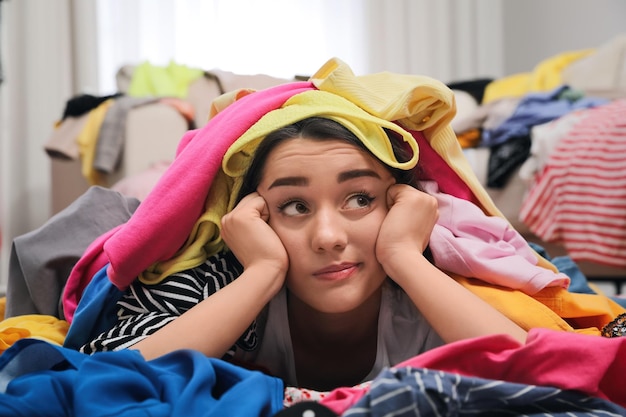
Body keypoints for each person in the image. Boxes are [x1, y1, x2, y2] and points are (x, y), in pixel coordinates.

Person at [82, 116, 526, 392]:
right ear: (255, 218)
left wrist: (403, 256)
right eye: (295, 206)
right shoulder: (220, 285)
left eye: (360, 199)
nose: (329, 237)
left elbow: (547, 374)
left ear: (401, 205)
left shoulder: (431, 290)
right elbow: (103, 382)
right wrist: (263, 271)